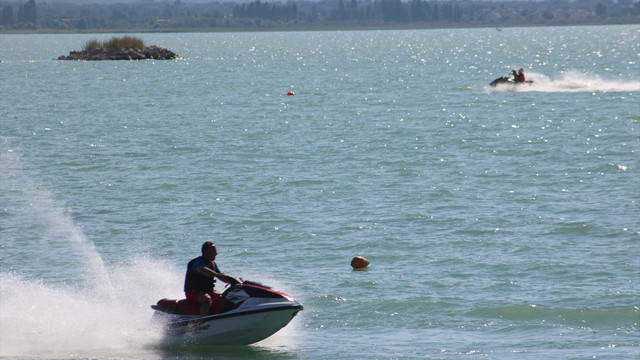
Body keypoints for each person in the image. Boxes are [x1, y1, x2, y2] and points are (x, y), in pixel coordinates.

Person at [184, 241, 230, 316]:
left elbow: (221, 276)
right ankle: (203, 321)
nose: (216, 254)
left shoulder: (213, 264)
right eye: (214, 251)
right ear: (207, 252)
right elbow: (202, 269)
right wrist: (217, 274)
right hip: (193, 292)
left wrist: (232, 280)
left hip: (208, 291)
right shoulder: (198, 262)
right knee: (206, 299)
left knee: (225, 296)